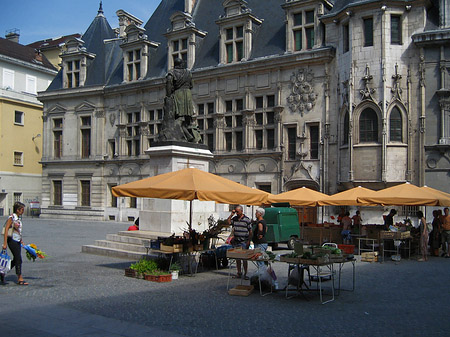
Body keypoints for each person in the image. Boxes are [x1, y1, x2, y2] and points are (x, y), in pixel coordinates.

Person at [159, 58, 201, 143]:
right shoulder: (189, 73)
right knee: (187, 118)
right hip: (188, 95)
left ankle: (186, 136)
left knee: (178, 117)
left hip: (178, 95)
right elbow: (191, 85)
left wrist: (168, 97)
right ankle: (190, 136)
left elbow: (169, 86)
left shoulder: (171, 73)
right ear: (182, 64)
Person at [1, 202, 28, 285]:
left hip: (17, 240)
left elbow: (18, 231)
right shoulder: (11, 217)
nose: (23, 211)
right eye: (22, 210)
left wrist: (21, 240)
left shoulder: (18, 218)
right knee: (18, 259)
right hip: (11, 240)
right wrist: (4, 243)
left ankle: (2, 273)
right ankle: (20, 278)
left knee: (16, 259)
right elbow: (6, 230)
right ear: (17, 210)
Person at [227, 205, 252, 280]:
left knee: (244, 258)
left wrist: (249, 241)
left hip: (244, 241)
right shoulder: (235, 219)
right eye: (236, 212)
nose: (237, 213)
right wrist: (231, 214)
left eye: (238, 212)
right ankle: (239, 272)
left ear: (241, 211)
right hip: (236, 241)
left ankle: (245, 273)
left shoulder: (247, 220)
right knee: (238, 258)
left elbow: (250, 231)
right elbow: (228, 222)